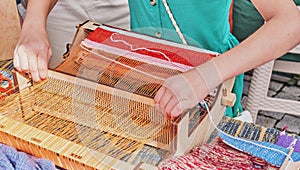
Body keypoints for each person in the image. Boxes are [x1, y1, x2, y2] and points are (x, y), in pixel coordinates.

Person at [14, 0, 300, 118]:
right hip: (144, 82)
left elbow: (290, 23)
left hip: (210, 87)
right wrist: (35, 24)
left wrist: (205, 76)